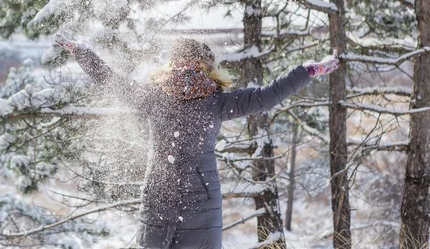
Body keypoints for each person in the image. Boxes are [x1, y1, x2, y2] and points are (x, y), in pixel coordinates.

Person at [54, 34, 338, 249]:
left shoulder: (155, 98)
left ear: (170, 63)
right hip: (201, 206)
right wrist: (308, 70)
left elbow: (111, 81)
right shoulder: (216, 102)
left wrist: (82, 53)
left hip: (158, 200)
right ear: (207, 66)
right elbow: (268, 95)